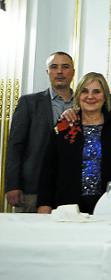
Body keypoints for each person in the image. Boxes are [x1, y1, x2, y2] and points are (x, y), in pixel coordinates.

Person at [37, 72, 111, 214]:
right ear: (78, 96)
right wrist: (44, 203)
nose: (90, 96)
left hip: (109, 205)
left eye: (96, 91)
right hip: (68, 204)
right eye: (85, 91)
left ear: (105, 96)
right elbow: (49, 168)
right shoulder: (65, 125)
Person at [5, 52, 75, 212]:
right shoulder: (29, 103)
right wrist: (13, 184)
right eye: (54, 67)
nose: (59, 71)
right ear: (47, 72)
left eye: (65, 67)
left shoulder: (84, 103)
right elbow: (15, 146)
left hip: (70, 191)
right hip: (32, 189)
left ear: (73, 72)